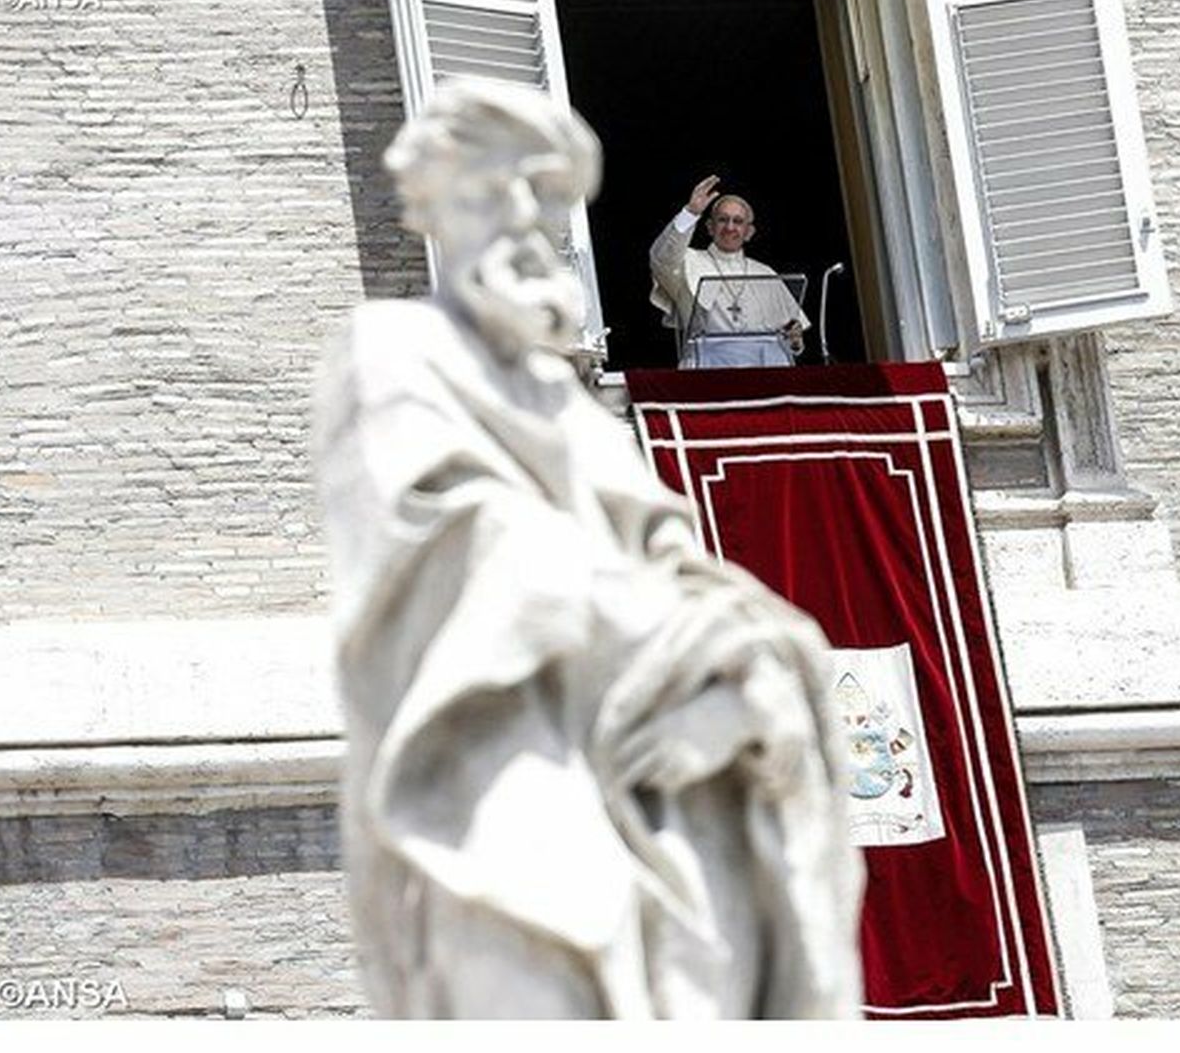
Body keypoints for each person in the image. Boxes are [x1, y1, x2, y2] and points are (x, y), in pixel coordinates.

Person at [313, 80, 864, 1018]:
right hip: (505, 791)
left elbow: (681, 559)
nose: (527, 224)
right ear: (440, 211)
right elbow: (474, 545)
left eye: (544, 200)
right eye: (499, 194)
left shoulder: (572, 408)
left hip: (653, 796)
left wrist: (754, 677)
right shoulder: (394, 352)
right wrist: (682, 645)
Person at [649, 174, 810, 368]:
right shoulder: (688, 261)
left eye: (738, 221)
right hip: (708, 366)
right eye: (723, 220)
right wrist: (691, 212)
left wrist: (794, 341)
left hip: (764, 367)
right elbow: (661, 258)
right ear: (710, 227)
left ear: (749, 232)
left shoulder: (765, 272)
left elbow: (791, 334)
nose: (730, 227)